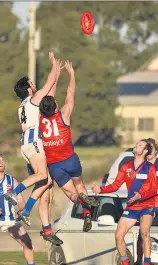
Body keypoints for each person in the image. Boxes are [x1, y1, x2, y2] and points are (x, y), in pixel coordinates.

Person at [4, 52, 63, 246]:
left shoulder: (24, 104)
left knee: (45, 183)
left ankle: (37, 221)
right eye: (31, 83)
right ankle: (14, 193)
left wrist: (57, 74)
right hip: (35, 141)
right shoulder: (33, 99)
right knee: (41, 176)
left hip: (28, 143)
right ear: (28, 88)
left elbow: (50, 92)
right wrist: (54, 65)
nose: (34, 84)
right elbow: (49, 81)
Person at [37, 60, 99, 232]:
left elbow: (47, 95)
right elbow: (70, 94)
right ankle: (87, 211)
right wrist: (71, 75)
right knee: (79, 186)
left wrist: (54, 75)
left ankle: (81, 203)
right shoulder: (63, 114)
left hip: (54, 165)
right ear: (55, 107)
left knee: (72, 194)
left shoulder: (40, 120)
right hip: (70, 159)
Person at [92, 139, 158, 265]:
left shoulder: (150, 167)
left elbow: (153, 189)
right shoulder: (126, 166)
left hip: (147, 205)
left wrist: (140, 195)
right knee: (118, 235)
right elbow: (115, 185)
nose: (136, 146)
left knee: (144, 232)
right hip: (132, 206)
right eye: (136, 144)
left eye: (140, 145)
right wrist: (101, 189)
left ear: (145, 151)